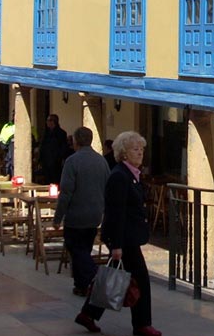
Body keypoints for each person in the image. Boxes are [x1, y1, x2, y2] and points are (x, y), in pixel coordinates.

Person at [75, 131, 160, 336]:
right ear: (123, 153)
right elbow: (115, 213)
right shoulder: (119, 177)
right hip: (124, 239)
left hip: (129, 238)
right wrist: (116, 245)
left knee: (112, 277)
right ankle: (142, 325)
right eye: (135, 149)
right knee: (141, 281)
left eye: (141, 149)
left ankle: (88, 313)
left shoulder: (132, 175)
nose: (140, 153)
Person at [55, 127, 110, 297]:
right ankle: (81, 285)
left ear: (76, 142)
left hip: (76, 214)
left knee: (76, 248)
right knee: (85, 247)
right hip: (95, 214)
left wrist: (58, 217)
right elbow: (108, 188)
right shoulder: (102, 161)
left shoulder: (72, 161)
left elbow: (66, 192)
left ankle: (93, 277)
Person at [40, 114, 70, 185]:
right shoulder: (46, 133)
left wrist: (59, 157)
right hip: (46, 161)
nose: (47, 122)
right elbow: (42, 146)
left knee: (55, 180)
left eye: (49, 120)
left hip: (56, 162)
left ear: (54, 122)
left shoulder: (61, 133)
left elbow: (63, 147)